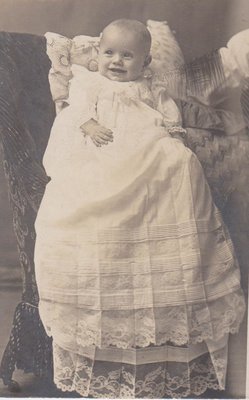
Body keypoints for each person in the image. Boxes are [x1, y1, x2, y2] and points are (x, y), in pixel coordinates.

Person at [34, 19, 245, 398]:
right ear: (98, 54)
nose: (117, 61)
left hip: (148, 144)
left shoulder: (149, 86)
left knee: (177, 162)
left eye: (128, 56)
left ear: (145, 62)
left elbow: (167, 113)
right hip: (105, 146)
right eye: (110, 53)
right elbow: (75, 109)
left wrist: (173, 130)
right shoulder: (90, 83)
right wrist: (88, 123)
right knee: (98, 180)